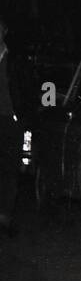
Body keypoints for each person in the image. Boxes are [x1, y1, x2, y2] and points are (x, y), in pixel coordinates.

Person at [0, 14, 31, 236]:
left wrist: (22, 118)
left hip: (10, 121)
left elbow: (26, 89)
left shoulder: (15, 61)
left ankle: (5, 216)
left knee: (11, 169)